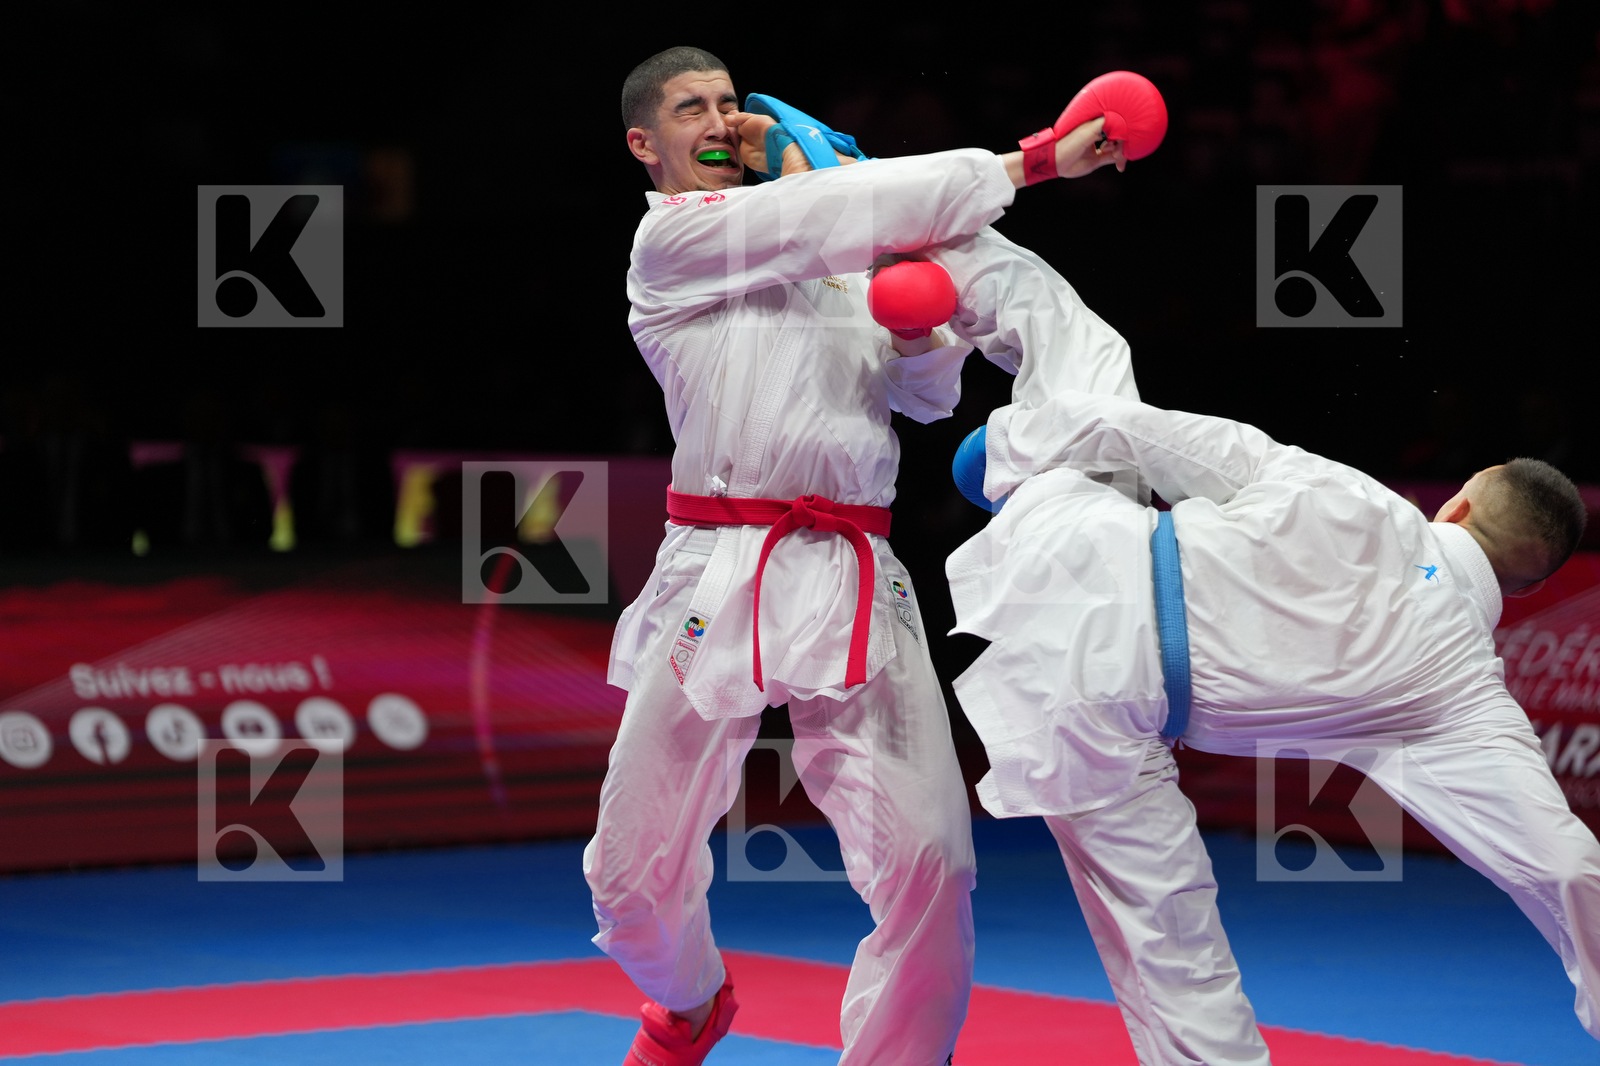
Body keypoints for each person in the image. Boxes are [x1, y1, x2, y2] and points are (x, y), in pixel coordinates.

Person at [589, 45, 1139, 1066]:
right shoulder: (671, 243)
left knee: (931, 858)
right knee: (627, 878)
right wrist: (1034, 162)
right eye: (689, 108)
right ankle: (689, 999)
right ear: (644, 144)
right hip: (716, 564)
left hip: (851, 570)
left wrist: (921, 336)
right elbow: (819, 212)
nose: (716, 121)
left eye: (726, 102)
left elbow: (924, 400)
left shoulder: (842, 249)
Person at [947, 387, 1600, 1063]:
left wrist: (1005, 447)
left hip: (1071, 550)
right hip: (1097, 716)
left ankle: (999, 389)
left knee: (1088, 396)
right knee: (1176, 948)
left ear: (1455, 507)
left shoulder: (1348, 492)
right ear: (1528, 588)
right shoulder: (1459, 692)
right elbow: (1565, 867)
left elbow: (1147, 432)